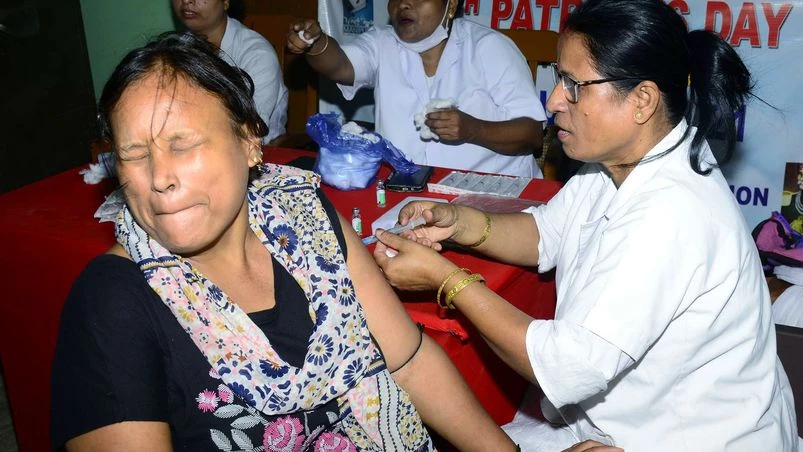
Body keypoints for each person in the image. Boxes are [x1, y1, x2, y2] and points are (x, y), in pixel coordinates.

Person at [49, 31, 516, 451]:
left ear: (251, 141)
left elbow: (408, 360)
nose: (160, 178)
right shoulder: (112, 302)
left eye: (182, 144)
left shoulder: (305, 218)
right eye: (133, 154)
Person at [370, 0, 799, 450]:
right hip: (627, 418)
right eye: (559, 79)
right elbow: (546, 234)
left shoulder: (672, 214)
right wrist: (459, 221)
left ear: (642, 101)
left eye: (574, 85)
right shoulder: (622, 161)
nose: (554, 100)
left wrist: (447, 280)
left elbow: (560, 366)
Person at [285, 0, 546, 178]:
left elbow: (531, 133)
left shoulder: (489, 47)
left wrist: (473, 129)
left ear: (451, 5)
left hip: (492, 196)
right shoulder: (382, 42)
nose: (404, 4)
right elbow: (340, 65)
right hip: (409, 194)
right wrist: (316, 44)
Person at [173, 0, 288, 144]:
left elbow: (249, 130)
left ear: (226, 2)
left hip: (258, 154)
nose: (186, 1)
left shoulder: (256, 53)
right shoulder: (175, 49)